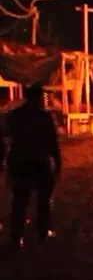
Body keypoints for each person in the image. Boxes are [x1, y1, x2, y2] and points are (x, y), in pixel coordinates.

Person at [2, 83, 62, 249]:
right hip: (38, 161)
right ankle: (43, 234)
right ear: (38, 98)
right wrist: (57, 161)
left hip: (19, 161)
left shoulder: (13, 115)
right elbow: (53, 142)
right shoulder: (44, 117)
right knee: (43, 199)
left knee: (19, 200)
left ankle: (16, 237)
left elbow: (6, 138)